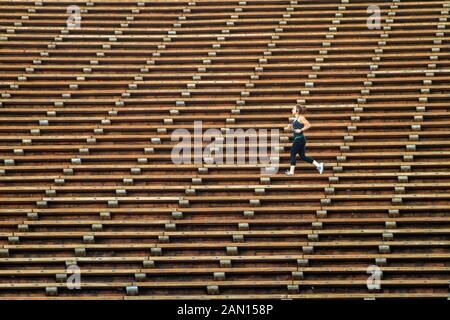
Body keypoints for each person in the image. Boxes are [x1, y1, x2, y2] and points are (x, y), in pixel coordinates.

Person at [284, 104, 324, 175]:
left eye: (293, 109)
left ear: (297, 111)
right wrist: (290, 127)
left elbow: (308, 125)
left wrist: (301, 130)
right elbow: (295, 130)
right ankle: (319, 165)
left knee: (292, 153)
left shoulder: (301, 117)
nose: (291, 110)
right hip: (299, 139)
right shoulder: (295, 120)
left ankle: (291, 172)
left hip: (299, 139)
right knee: (303, 157)